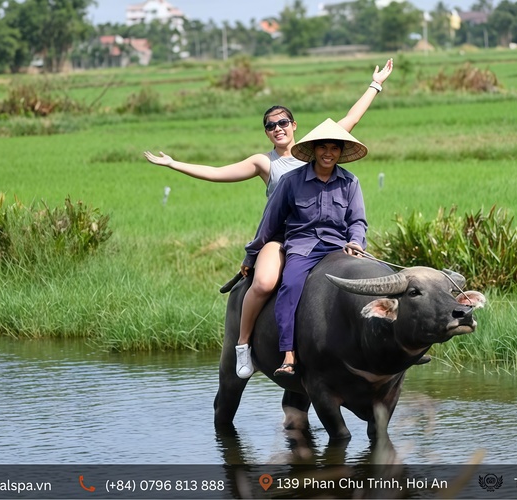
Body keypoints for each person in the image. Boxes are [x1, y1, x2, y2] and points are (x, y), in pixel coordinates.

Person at [143, 60, 393, 379]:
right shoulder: (266, 162)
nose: (278, 128)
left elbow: (350, 119)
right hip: (284, 235)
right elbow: (218, 174)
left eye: (283, 122)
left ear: (294, 125)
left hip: (331, 237)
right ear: (267, 132)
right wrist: (174, 164)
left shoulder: (327, 154)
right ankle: (245, 344)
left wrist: (375, 84)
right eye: (271, 125)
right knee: (265, 283)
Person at [242, 118, 368, 377]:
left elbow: (357, 221)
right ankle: (288, 353)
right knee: (290, 285)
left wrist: (355, 242)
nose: (328, 153)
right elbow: (269, 223)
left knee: (374, 280)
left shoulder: (350, 182)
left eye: (334, 148)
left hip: (339, 247)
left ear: (341, 152)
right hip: (303, 246)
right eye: (323, 147)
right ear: (313, 150)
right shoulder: (291, 181)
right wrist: (252, 254)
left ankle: (378, 349)